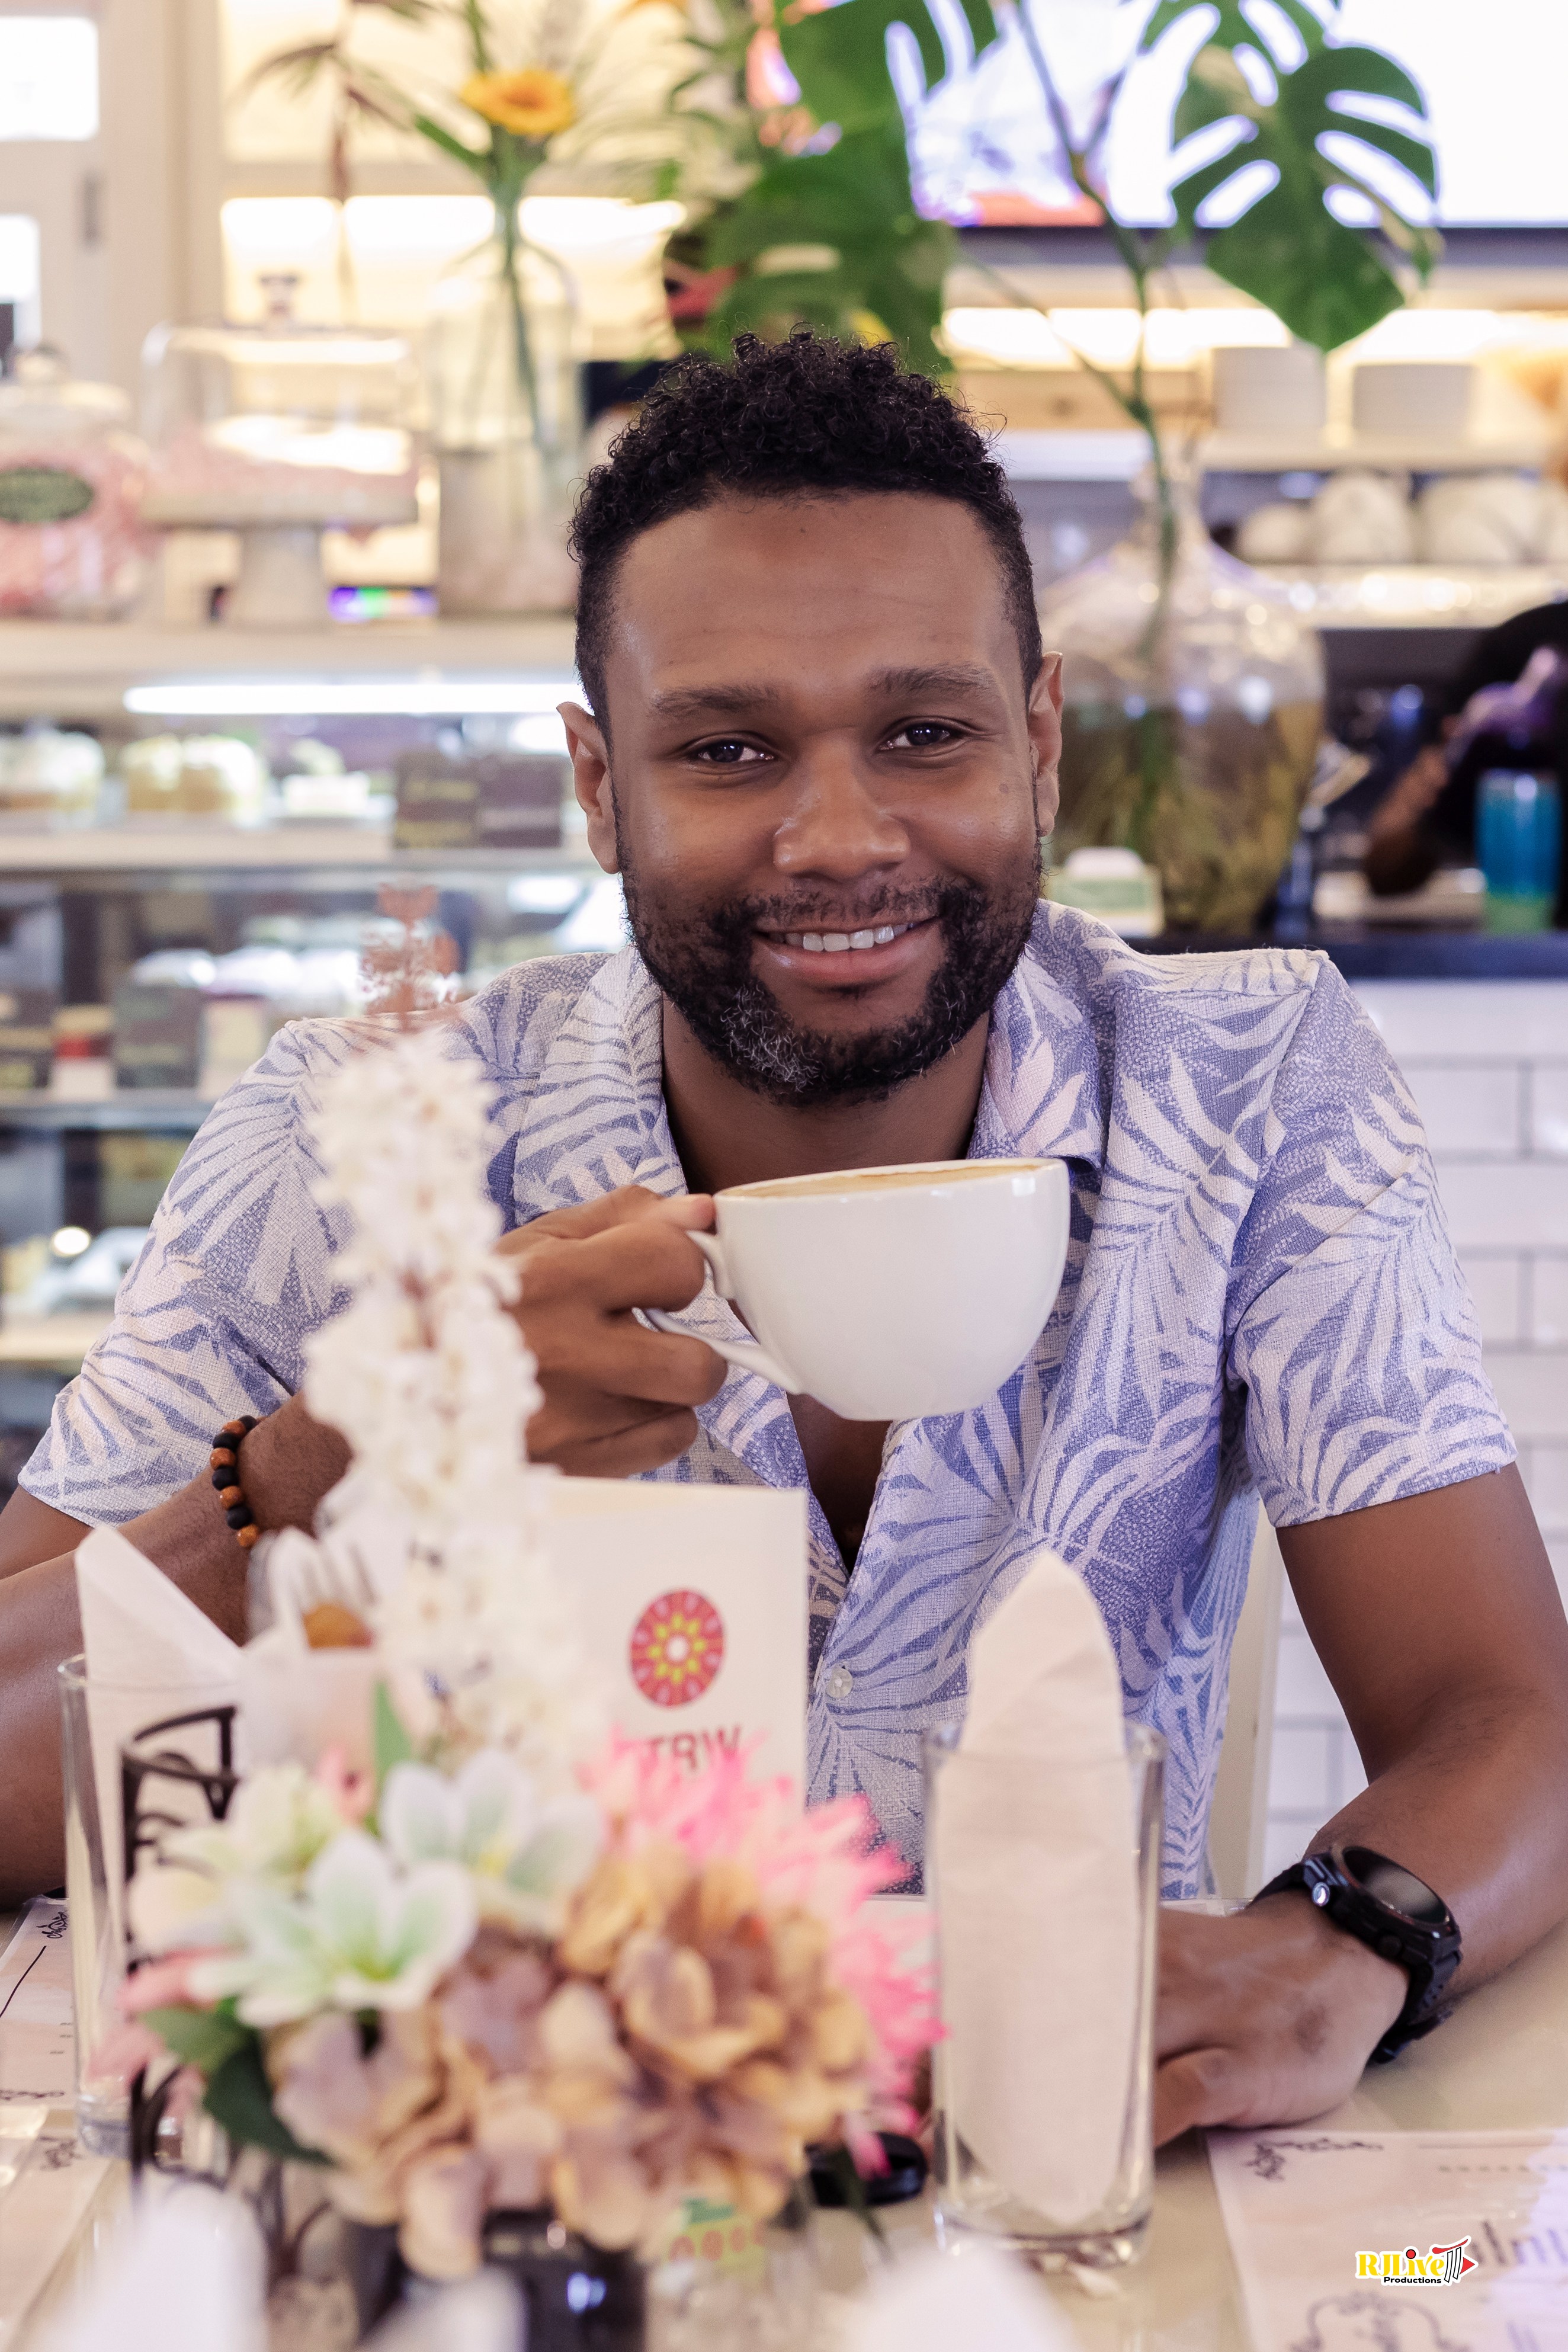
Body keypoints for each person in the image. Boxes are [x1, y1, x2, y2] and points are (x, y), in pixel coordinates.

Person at [3, 332, 1567, 2147]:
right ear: (601, 786)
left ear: (1039, 742)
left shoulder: (1248, 1088)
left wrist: (1333, 1945)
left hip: (1043, 2175)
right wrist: (324, 1460)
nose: (841, 838)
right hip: (506, 2188)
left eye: (925, 731)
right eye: (730, 747)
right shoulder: (350, 1137)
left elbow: (1504, 1714)